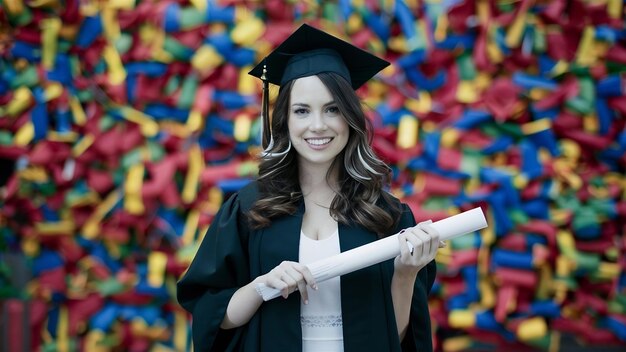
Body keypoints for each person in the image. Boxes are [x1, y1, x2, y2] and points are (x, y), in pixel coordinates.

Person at [176, 23, 442, 352]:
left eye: (332, 109)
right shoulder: (249, 209)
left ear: (350, 117)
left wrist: (405, 273)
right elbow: (214, 317)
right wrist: (262, 286)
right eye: (302, 111)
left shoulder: (386, 215)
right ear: (285, 120)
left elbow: (397, 339)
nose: (317, 125)